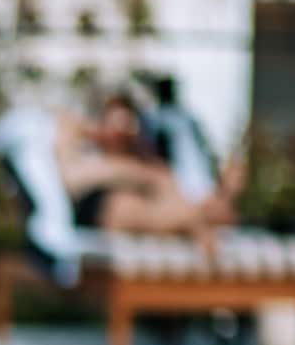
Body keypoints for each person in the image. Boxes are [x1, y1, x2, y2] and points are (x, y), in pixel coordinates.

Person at [55, 88, 244, 245]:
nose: (120, 132)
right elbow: (67, 130)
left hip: (159, 215)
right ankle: (193, 220)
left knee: (197, 209)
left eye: (128, 125)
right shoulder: (89, 161)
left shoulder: (148, 166)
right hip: (107, 214)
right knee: (124, 204)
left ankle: (198, 217)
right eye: (114, 124)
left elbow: (175, 195)